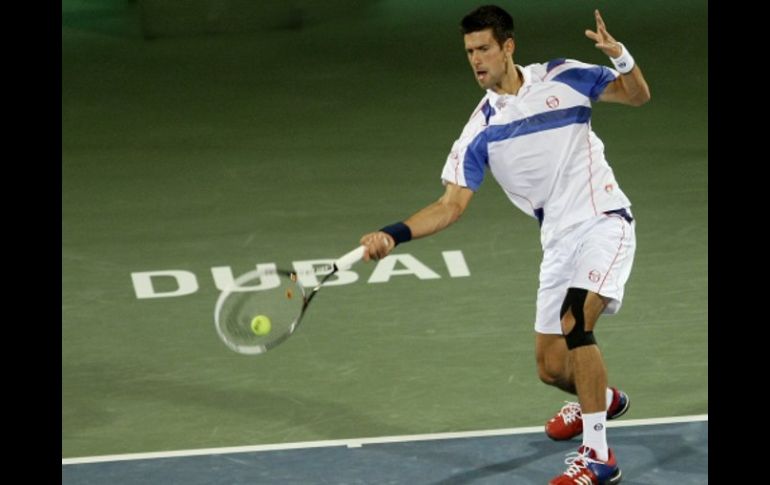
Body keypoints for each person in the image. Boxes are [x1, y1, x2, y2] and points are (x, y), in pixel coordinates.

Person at [358, 5, 650, 484]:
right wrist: (394, 233)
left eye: (484, 49)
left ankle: (598, 457)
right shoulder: (480, 129)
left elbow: (637, 96)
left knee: (576, 319)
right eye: (469, 52)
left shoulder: (563, 76)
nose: (476, 60)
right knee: (551, 368)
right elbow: (450, 205)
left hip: (604, 221)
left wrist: (620, 56)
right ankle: (601, 399)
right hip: (557, 241)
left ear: (507, 47)